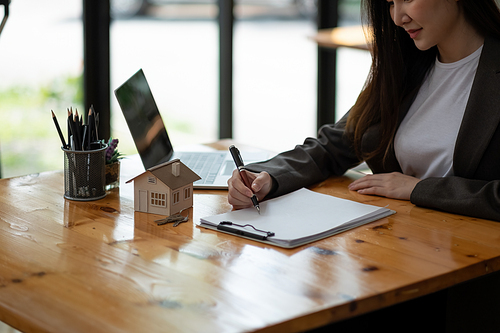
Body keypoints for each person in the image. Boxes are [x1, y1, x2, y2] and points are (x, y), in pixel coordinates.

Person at [227, 0, 500, 222]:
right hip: (398, 246)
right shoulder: (405, 67)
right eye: (391, 3)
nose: (397, 17)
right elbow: (333, 145)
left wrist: (419, 189)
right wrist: (266, 177)